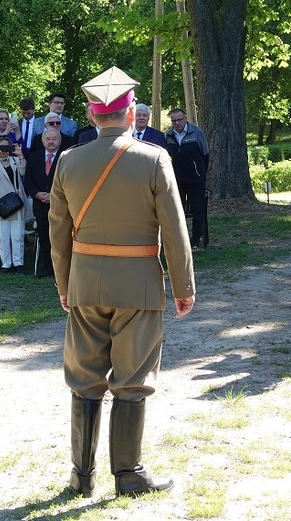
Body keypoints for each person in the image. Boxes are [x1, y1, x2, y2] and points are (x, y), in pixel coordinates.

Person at [50, 66, 195, 499]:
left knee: (83, 378)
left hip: (86, 285)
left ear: (92, 116)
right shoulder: (153, 159)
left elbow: (58, 232)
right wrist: (183, 286)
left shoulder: (68, 161)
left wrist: (64, 285)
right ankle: (128, 475)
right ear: (131, 112)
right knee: (132, 378)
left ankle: (81, 476)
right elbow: (174, 228)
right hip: (139, 286)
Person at [165, 107, 210, 249]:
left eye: (180, 120)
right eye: (174, 121)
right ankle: (181, 238)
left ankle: (196, 238)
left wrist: (200, 172)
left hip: (196, 179)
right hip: (177, 179)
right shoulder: (169, 135)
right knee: (178, 210)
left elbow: (205, 154)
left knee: (198, 209)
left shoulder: (196, 132)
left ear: (185, 119)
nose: (177, 123)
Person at [0, 135, 28, 273]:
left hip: (16, 202)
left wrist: (20, 155)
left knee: (17, 235)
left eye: (6, 146)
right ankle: (6, 264)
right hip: (1, 204)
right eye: (0, 146)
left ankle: (18, 263)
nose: (4, 149)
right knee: (2, 236)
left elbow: (23, 171)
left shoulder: (15, 160)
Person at [24, 127, 61, 277]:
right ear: (42, 140)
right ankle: (47, 268)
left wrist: (53, 195)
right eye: (48, 139)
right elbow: (28, 181)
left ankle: (59, 269)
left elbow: (69, 181)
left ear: (60, 141)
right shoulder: (33, 158)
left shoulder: (65, 157)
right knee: (44, 238)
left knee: (59, 238)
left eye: (54, 139)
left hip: (59, 205)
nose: (51, 142)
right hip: (40, 205)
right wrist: (37, 194)